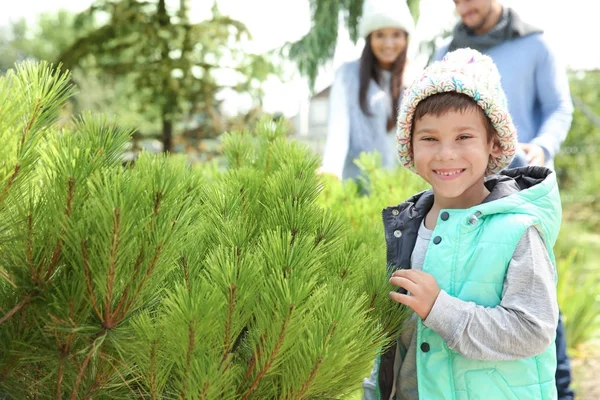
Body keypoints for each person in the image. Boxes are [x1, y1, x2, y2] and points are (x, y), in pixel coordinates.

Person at [363, 49, 561, 399]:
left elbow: (533, 330)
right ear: (409, 145)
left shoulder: (518, 230)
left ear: (493, 143)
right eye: (429, 138)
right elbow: (390, 343)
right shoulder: (404, 229)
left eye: (464, 137)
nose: (446, 154)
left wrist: (440, 309)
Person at [435, 2, 575, 397]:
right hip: (462, 193)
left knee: (534, 297)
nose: (463, 7)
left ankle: (558, 391)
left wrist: (542, 147)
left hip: (516, 192)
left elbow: (559, 107)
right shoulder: (445, 52)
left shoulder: (535, 44)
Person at [320, 0, 415, 182]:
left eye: (396, 35)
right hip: (357, 188)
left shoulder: (417, 76)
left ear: (405, 37)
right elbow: (338, 131)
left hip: (404, 191)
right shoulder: (347, 76)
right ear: (369, 37)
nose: (388, 43)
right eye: (380, 35)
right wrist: (330, 171)